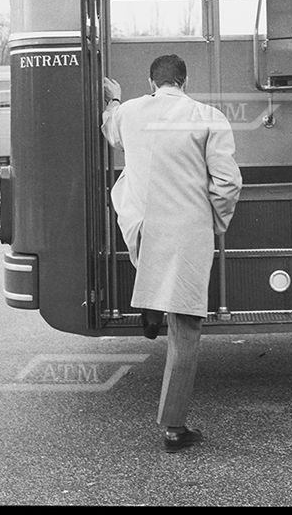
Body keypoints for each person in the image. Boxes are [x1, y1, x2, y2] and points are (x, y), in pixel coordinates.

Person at [101, 54, 242, 453]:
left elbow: (111, 131)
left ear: (151, 82)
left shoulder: (130, 112)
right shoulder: (207, 116)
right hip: (185, 235)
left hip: (141, 230)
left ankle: (150, 303)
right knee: (186, 332)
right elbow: (228, 183)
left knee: (150, 264)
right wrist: (213, 222)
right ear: (184, 81)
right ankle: (174, 430)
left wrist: (113, 99)